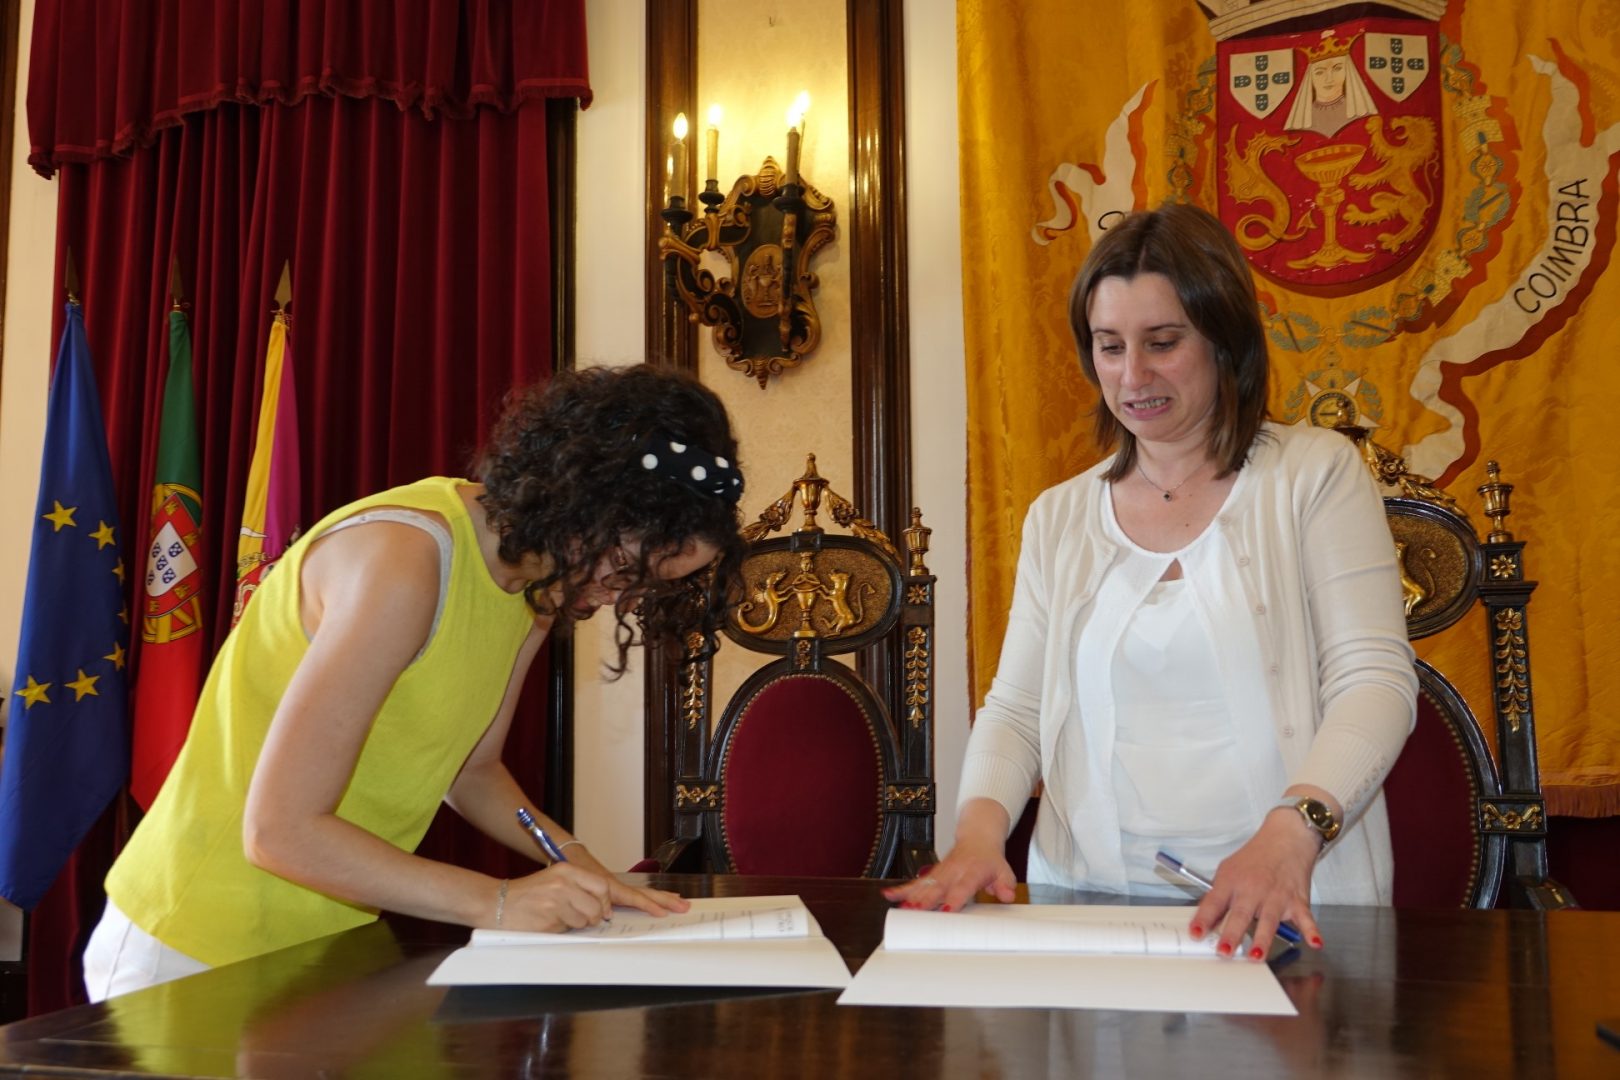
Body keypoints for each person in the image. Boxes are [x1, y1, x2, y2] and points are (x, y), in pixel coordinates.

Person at [84, 364, 747, 1001]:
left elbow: (473, 771)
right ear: (589, 500)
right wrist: (499, 901)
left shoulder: (537, 588)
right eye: (626, 566)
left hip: (320, 944)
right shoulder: (404, 560)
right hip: (190, 941)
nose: (619, 598)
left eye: (644, 587)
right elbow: (279, 831)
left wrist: (579, 861)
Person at [885, 203, 1416, 960]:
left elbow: (1374, 681)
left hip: (1287, 908)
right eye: (1110, 346)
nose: (1133, 375)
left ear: (1224, 339)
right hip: (1087, 913)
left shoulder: (1314, 475)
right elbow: (1018, 708)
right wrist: (977, 834)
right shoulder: (1059, 517)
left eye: (1163, 342)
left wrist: (1293, 832)